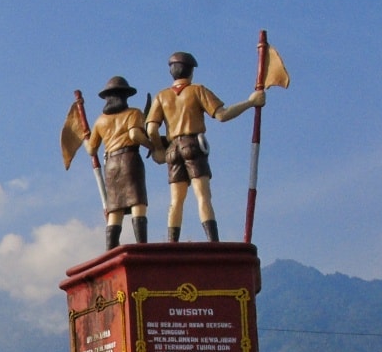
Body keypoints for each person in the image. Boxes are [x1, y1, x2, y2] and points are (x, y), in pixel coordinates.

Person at [145, 51, 266, 243]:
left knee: (176, 200)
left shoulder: (162, 96)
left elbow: (151, 129)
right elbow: (222, 115)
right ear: (191, 72)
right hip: (193, 145)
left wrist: (160, 149)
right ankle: (213, 241)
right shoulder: (197, 90)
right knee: (202, 195)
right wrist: (250, 102)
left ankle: (172, 242)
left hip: (172, 149)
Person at [84, 76, 152, 250]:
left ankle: (110, 248)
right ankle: (141, 246)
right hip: (130, 160)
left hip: (111, 165)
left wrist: (85, 138)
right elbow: (135, 135)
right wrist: (152, 145)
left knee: (115, 209)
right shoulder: (134, 113)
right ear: (124, 96)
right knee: (137, 202)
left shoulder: (100, 121)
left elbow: (91, 150)